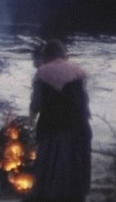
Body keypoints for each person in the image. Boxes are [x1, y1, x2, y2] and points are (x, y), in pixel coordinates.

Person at [27, 39, 92, 202]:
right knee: (75, 167)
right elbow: (84, 101)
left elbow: (36, 103)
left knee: (51, 168)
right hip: (79, 128)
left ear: (46, 56)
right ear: (63, 54)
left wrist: (31, 122)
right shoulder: (79, 71)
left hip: (53, 127)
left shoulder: (42, 72)